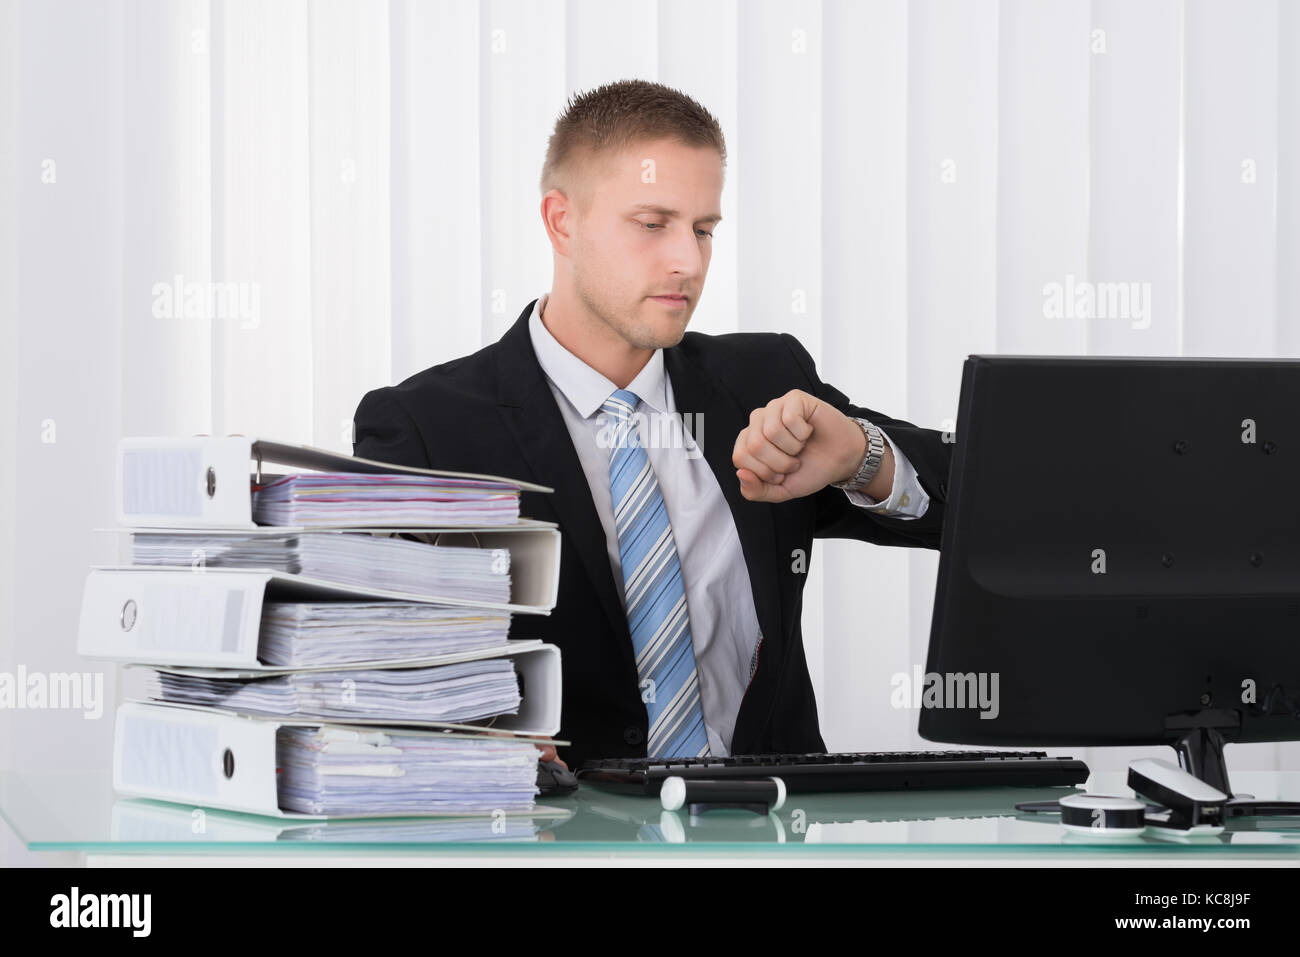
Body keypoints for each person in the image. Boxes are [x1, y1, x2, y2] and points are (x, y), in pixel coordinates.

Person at [353, 79, 953, 770]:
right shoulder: (428, 430)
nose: (688, 262)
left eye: (703, 229)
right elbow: (369, 670)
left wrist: (861, 456)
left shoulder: (763, 382)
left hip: (770, 839)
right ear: (561, 222)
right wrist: (458, 730)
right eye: (653, 224)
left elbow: (987, 511)